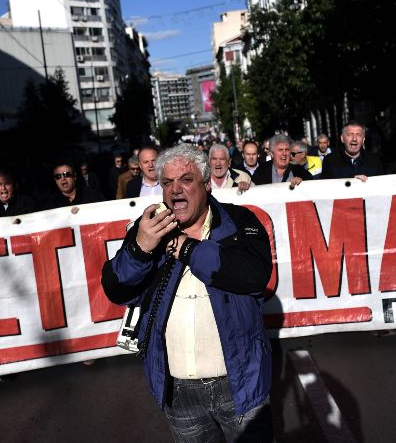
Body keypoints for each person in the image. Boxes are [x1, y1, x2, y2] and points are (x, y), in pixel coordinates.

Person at [101, 144, 274, 442]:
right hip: (178, 392)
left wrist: (183, 247)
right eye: (167, 182)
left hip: (240, 384)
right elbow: (116, 288)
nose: (175, 190)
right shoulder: (149, 229)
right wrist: (140, 248)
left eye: (186, 180)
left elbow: (254, 276)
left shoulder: (239, 221)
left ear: (206, 185)